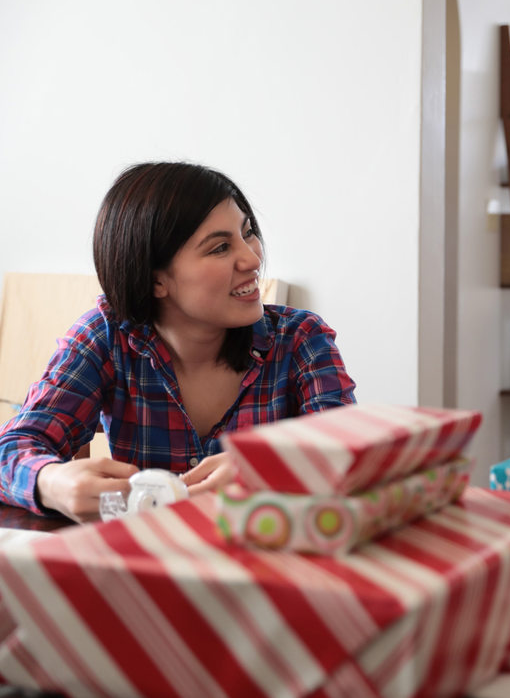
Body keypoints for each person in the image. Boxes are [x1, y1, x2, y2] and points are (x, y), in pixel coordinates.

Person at [0, 162, 356, 522]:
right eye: (219, 248)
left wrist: (268, 468)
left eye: (248, 233)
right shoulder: (106, 338)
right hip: (145, 566)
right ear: (156, 281)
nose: (252, 258)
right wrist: (50, 482)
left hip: (269, 563)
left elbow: (356, 452)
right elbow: (10, 448)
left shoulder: (302, 340)